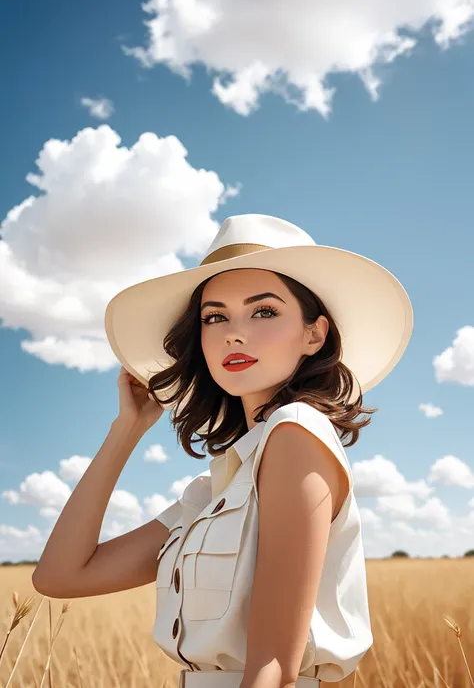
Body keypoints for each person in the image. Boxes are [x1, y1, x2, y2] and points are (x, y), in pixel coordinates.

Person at [32, 214, 413, 688]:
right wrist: (125, 430)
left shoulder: (296, 432)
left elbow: (274, 666)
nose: (235, 333)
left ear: (314, 334)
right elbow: (60, 577)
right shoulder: (211, 492)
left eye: (264, 311)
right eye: (215, 317)